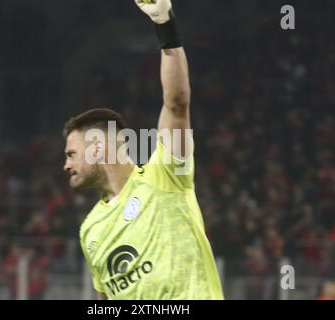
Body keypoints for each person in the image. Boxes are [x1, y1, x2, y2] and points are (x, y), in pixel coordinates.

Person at [62, 0, 224, 300]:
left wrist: (165, 24)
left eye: (71, 154)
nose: (66, 165)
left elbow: (176, 102)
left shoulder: (165, 174)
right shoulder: (90, 231)